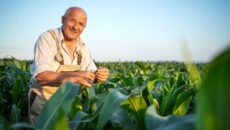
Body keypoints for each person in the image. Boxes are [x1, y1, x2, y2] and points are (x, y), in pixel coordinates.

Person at [28, 7, 109, 125]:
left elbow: (90, 75)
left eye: (81, 24)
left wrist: (98, 75)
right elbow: (41, 76)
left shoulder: (83, 48)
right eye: (72, 20)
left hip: (68, 101)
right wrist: (75, 76)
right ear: (63, 19)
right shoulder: (47, 38)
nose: (76, 27)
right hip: (43, 99)